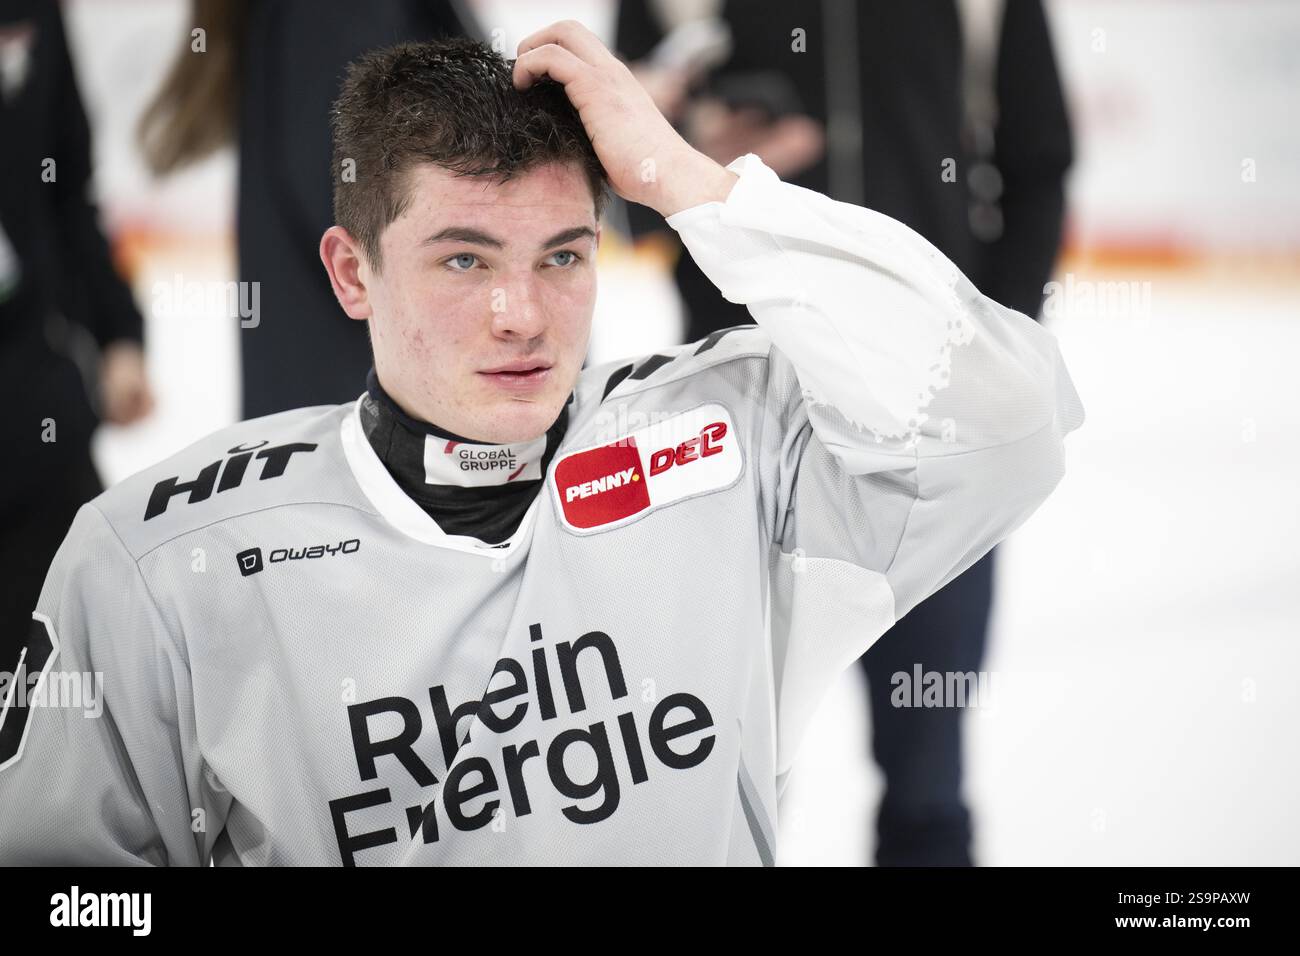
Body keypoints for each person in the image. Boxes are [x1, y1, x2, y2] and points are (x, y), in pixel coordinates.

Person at [0, 22, 1083, 866]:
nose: (522, 312)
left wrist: (692, 184)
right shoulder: (159, 562)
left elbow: (1010, 422)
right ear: (350, 272)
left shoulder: (730, 447)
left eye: (562, 257)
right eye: (464, 261)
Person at [1, 0, 154, 683]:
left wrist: (119, 333)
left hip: (32, 403)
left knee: (82, 671)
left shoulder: (32, 11)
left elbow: (64, 187)